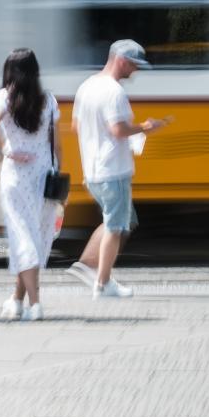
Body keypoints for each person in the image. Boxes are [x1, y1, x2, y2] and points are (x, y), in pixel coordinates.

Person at [69, 40, 169, 298]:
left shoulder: (86, 86)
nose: (134, 72)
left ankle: (93, 268)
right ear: (122, 60)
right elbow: (118, 130)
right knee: (115, 226)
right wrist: (147, 127)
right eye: (134, 65)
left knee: (122, 221)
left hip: (93, 169)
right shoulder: (114, 92)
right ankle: (101, 282)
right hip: (112, 169)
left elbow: (76, 126)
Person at [0, 48, 59, 322]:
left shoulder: (4, 97)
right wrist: (59, 172)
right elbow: (55, 142)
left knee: (22, 237)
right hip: (44, 177)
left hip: (16, 176)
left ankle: (35, 304)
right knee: (35, 237)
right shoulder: (48, 100)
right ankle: (17, 300)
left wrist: (7, 149)